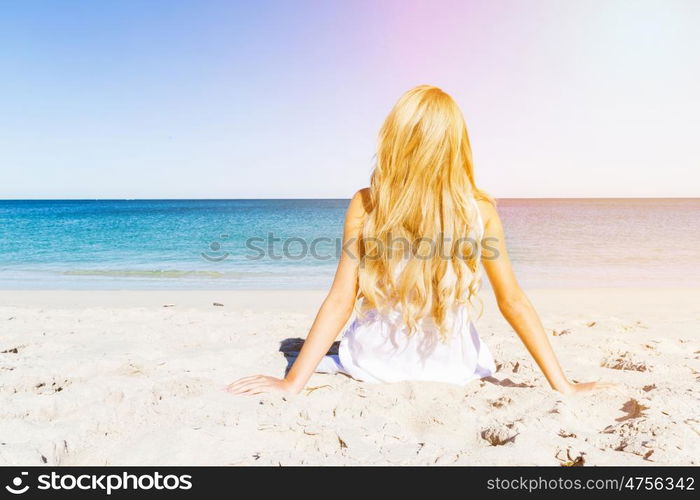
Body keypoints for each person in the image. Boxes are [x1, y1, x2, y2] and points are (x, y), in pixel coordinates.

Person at [227, 85, 612, 396]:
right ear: (456, 145)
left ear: (396, 140)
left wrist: (293, 382)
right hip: (453, 367)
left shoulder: (367, 203)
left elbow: (341, 299)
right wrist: (564, 384)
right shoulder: (479, 211)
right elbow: (512, 301)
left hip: (374, 362)